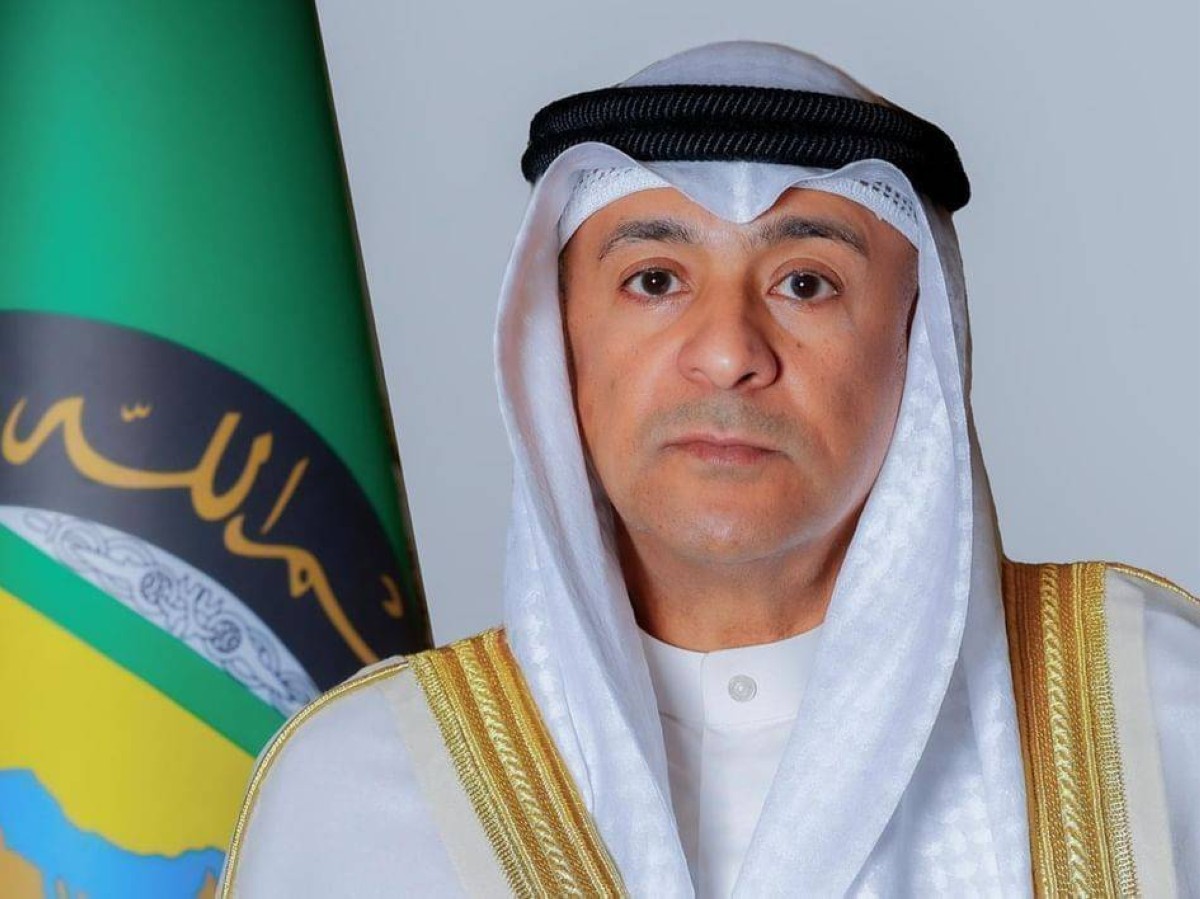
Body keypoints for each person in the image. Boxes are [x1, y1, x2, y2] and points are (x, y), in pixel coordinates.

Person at [218, 41, 1199, 897]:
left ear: (918, 342)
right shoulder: (363, 786)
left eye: (805, 283)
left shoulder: (1158, 708)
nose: (729, 351)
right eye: (655, 280)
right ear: (557, 344)